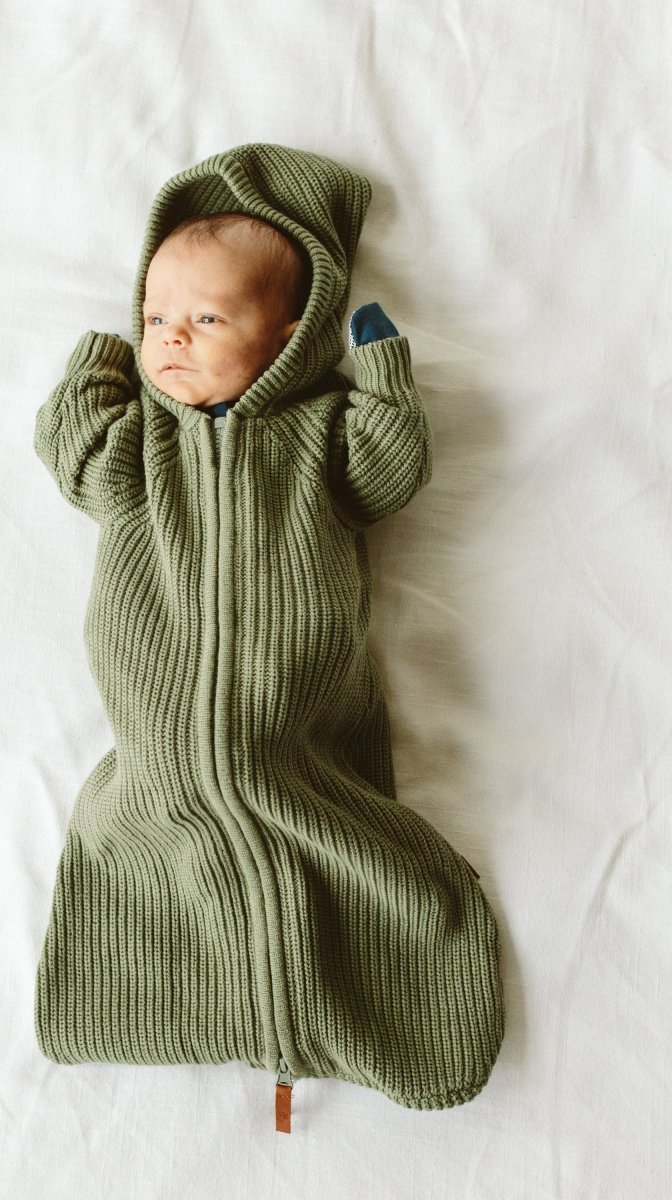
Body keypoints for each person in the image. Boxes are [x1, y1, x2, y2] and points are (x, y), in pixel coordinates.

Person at [33, 143, 504, 1133]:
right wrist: (97, 369)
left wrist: (382, 376)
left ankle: (332, 998)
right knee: (152, 838)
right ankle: (205, 999)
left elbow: (387, 472)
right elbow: (75, 459)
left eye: (206, 319)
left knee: (317, 820)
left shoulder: (316, 433)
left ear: (289, 338)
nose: (171, 337)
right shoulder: (143, 445)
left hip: (296, 718)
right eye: (154, 318)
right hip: (157, 741)